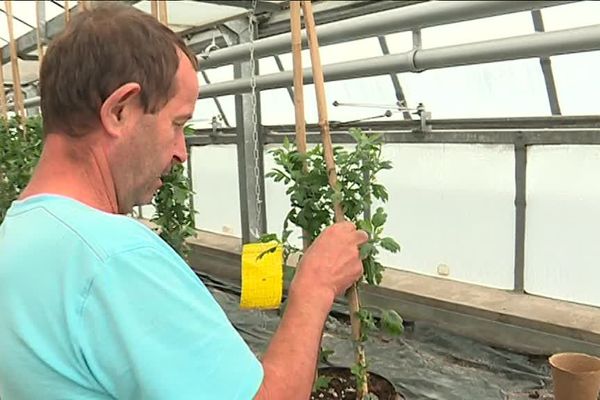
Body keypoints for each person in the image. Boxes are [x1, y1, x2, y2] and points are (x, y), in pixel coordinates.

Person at [0, 4, 367, 400]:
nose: (182, 151)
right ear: (119, 111)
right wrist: (314, 289)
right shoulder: (113, 259)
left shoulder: (21, 229)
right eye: (177, 124)